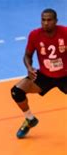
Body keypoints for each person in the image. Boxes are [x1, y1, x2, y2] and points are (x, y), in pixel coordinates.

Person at [11, 8, 67, 138]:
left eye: (49, 20)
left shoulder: (65, 33)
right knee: (16, 92)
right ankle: (30, 119)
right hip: (45, 76)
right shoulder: (35, 35)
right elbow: (27, 55)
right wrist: (29, 67)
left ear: (56, 21)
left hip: (65, 75)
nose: (46, 23)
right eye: (43, 20)